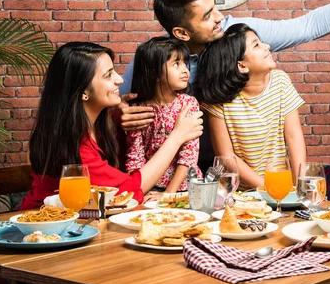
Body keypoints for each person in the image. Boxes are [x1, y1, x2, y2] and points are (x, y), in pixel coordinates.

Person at [117, 0, 330, 171]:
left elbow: (307, 26)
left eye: (215, 6)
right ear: (180, 33)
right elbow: (115, 105)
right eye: (206, 16)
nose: (219, 17)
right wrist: (119, 114)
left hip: (232, 169)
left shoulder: (238, 34)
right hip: (172, 171)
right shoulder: (153, 59)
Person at [21, 42, 203, 210]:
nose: (120, 80)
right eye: (108, 75)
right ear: (83, 91)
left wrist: (114, 118)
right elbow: (128, 190)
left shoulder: (104, 125)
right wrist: (177, 137)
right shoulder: (75, 146)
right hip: (47, 224)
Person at [196, 24, 306, 188]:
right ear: (242, 65)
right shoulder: (219, 100)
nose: (266, 46)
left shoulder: (280, 81)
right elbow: (226, 156)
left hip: (281, 187)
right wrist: (266, 187)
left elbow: (294, 136)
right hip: (240, 193)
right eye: (256, 45)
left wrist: (300, 185)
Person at [124, 36, 202, 193]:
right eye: (176, 64)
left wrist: (168, 195)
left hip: (184, 188)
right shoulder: (138, 108)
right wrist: (138, 193)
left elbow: (189, 156)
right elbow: (135, 157)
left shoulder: (188, 104)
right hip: (149, 187)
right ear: (155, 72)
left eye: (184, 63)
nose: (185, 70)